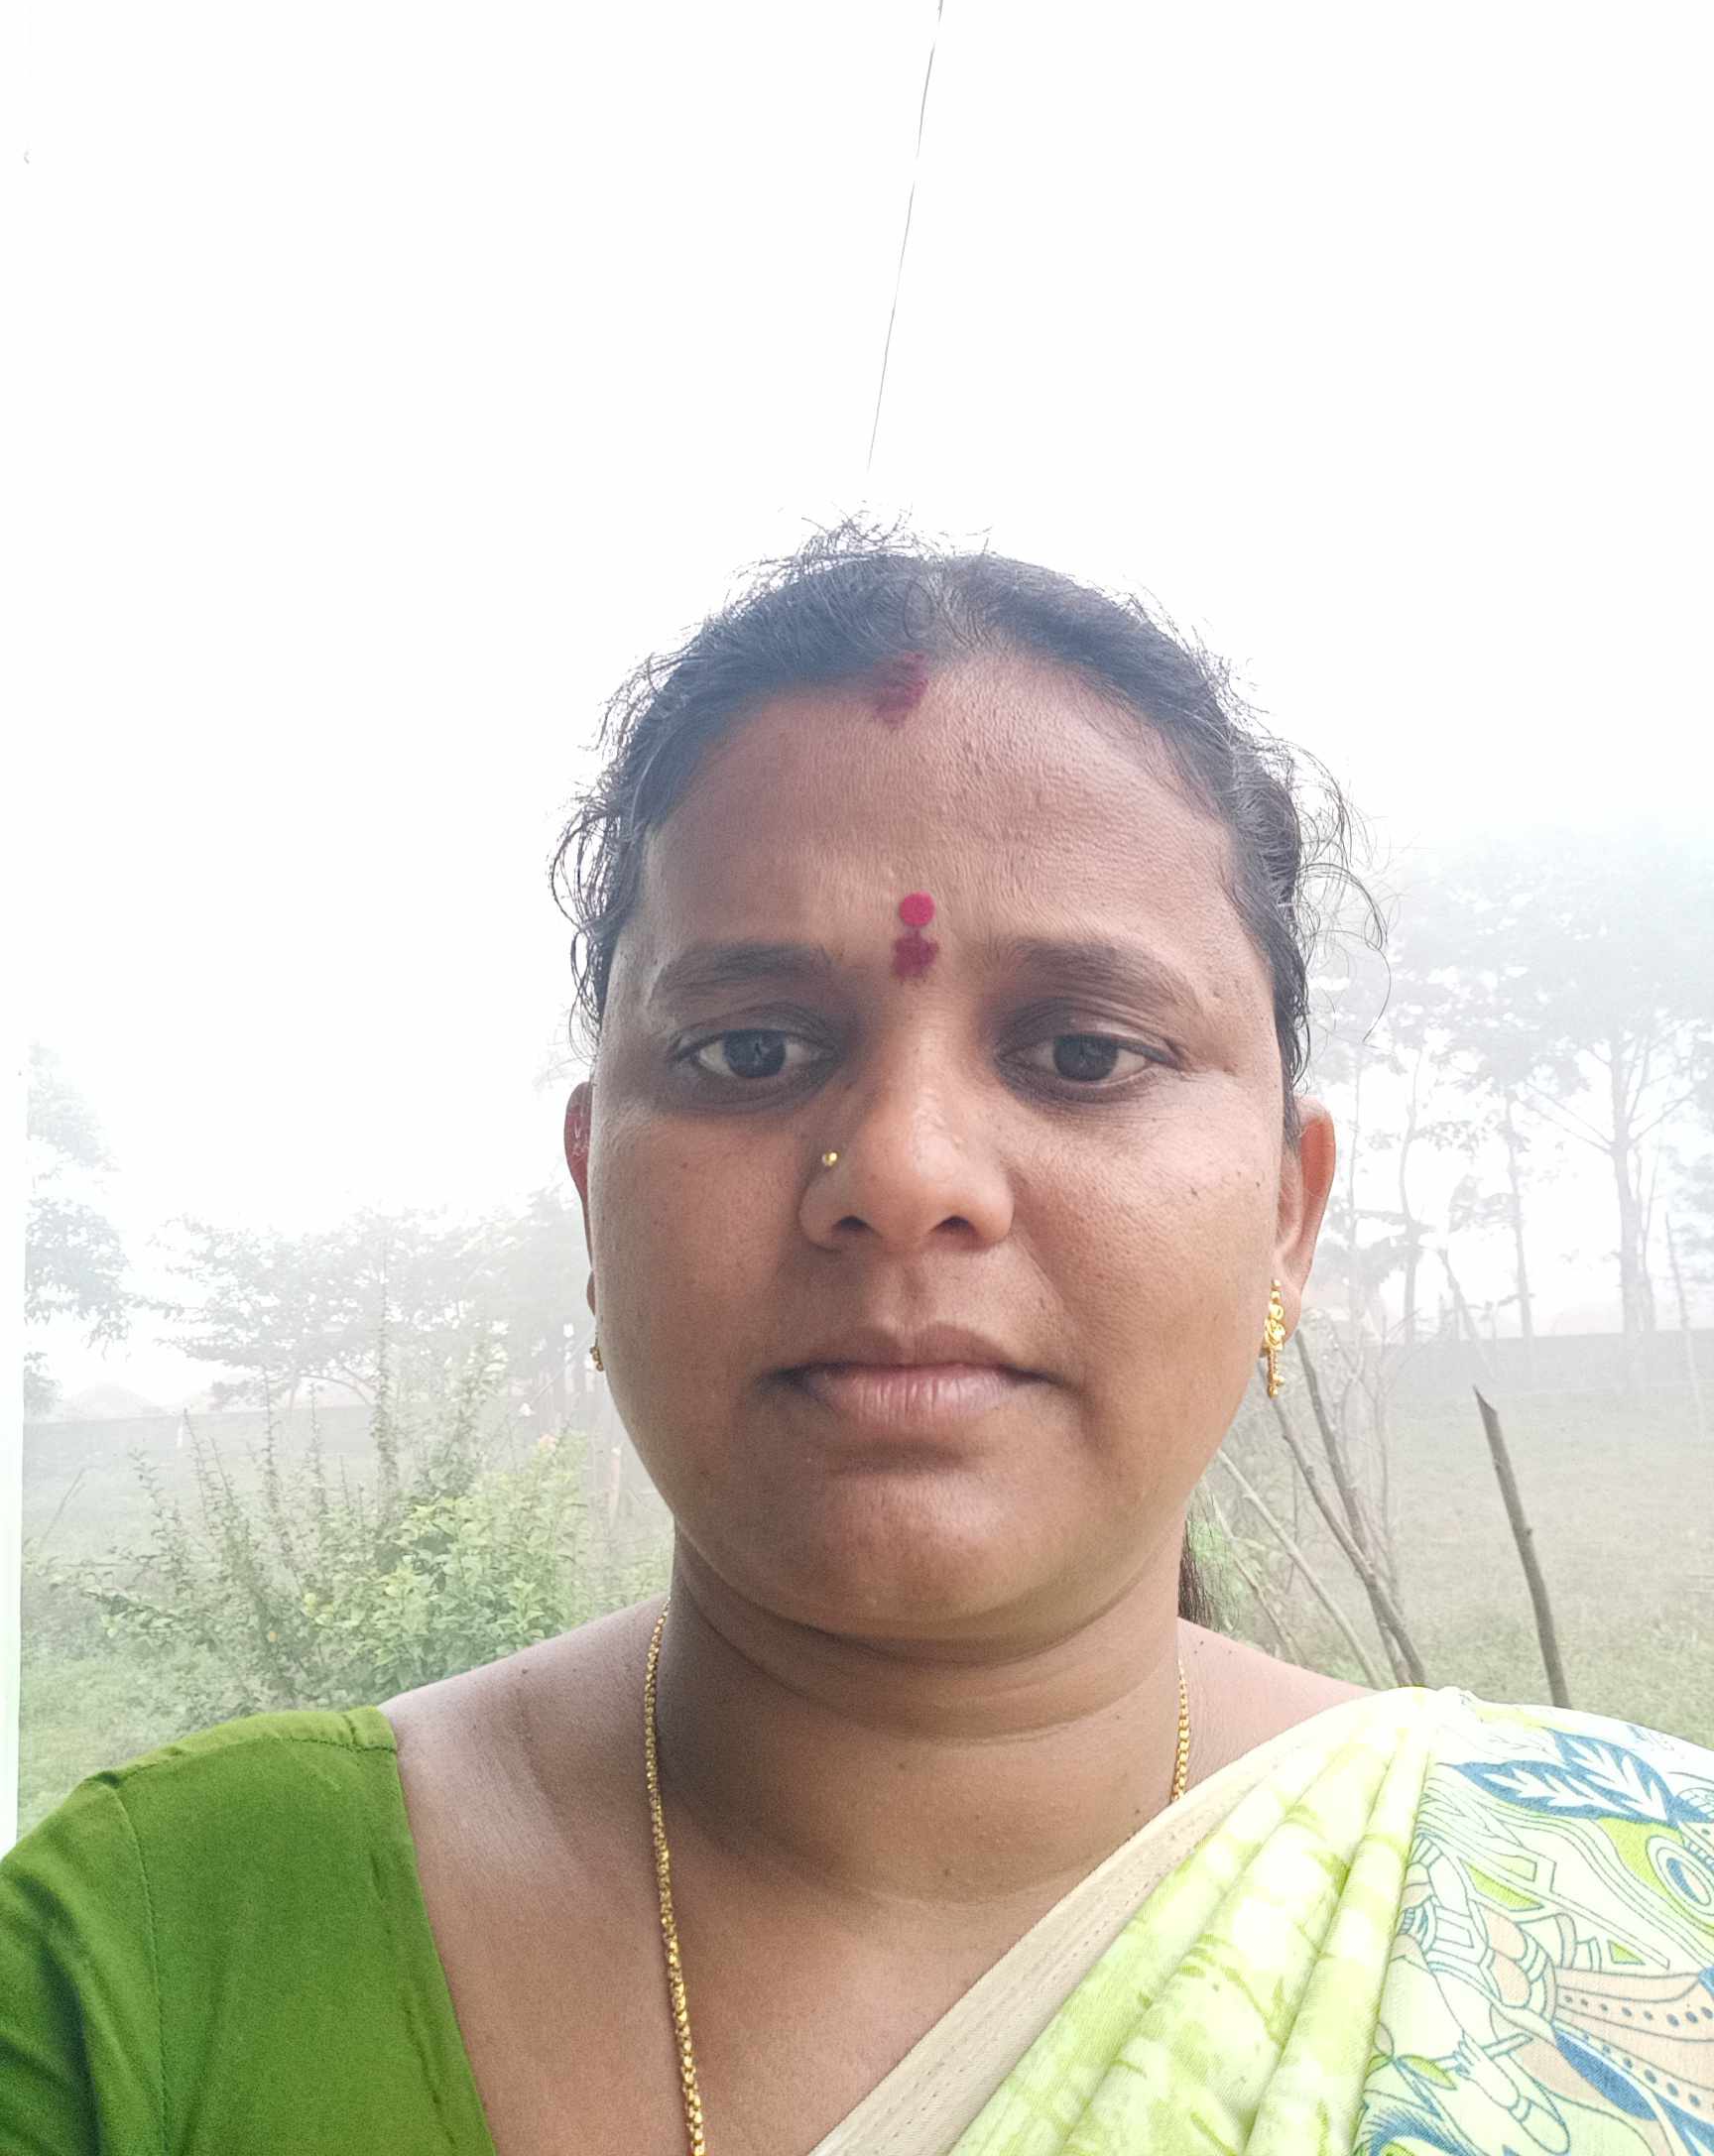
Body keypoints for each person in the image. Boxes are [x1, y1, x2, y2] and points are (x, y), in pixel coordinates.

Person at [4, 527, 1711, 2156]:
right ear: (595, 1193)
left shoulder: (1635, 1917)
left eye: (1084, 1051)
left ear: (1288, 1211)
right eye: (750, 1052)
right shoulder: (148, 1963)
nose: (900, 1177)